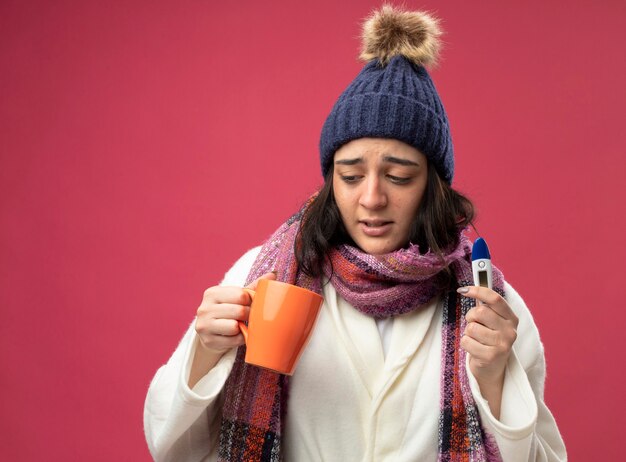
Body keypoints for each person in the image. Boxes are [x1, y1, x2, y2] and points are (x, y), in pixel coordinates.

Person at [144, 6, 566, 461]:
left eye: (399, 177)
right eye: (349, 176)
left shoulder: (491, 309)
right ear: (330, 181)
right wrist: (206, 355)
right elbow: (170, 449)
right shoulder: (261, 276)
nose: (371, 198)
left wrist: (497, 380)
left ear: (433, 186)